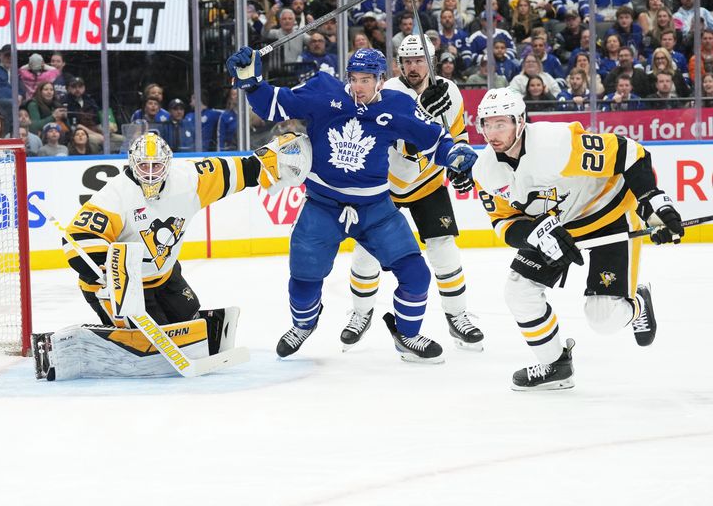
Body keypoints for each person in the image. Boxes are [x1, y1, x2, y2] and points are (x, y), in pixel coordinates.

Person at [226, 45, 477, 363]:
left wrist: (453, 154)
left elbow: (433, 139)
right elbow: (275, 105)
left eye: (366, 80)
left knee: (416, 275)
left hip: (375, 210)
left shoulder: (398, 105)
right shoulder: (322, 90)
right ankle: (304, 325)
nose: (358, 86)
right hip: (322, 205)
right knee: (303, 278)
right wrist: (251, 83)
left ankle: (408, 336)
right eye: (354, 78)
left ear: (381, 80)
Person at [32, 131, 306, 380]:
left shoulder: (189, 180)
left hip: (164, 275)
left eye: (156, 166)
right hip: (119, 286)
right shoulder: (114, 195)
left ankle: (137, 335)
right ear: (131, 163)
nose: (150, 173)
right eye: (143, 166)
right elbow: (78, 241)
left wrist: (265, 162)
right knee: (151, 340)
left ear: (168, 163)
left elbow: (238, 171)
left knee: (190, 320)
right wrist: (101, 269)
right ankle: (90, 342)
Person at [471, 87, 684, 390]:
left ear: (520, 121)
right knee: (518, 291)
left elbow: (629, 153)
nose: (493, 132)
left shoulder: (556, 144)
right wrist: (535, 233)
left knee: (604, 319)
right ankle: (556, 366)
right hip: (557, 227)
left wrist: (652, 200)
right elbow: (504, 223)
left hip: (607, 214)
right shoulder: (486, 170)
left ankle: (638, 300)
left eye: (501, 123)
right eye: (486, 124)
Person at [342, 35, 484, 353]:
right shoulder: (389, 90)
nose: (413, 67)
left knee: (444, 248)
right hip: (386, 182)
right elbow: (403, 138)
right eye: (407, 61)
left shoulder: (451, 91)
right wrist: (423, 110)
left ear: (431, 62)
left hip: (429, 182)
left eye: (420, 60)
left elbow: (458, 134)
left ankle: (457, 315)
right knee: (366, 251)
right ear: (398, 64)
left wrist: (460, 167)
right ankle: (360, 314)